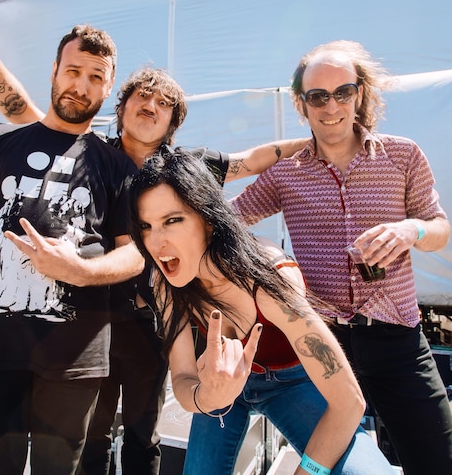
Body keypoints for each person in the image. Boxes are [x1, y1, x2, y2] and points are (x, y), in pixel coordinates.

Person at [0, 2, 306, 475]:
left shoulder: (185, 169)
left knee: (142, 432)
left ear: (174, 122)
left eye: (163, 103)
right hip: (89, 317)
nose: (150, 107)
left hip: (150, 320)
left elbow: (252, 160)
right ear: (121, 102)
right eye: (141, 96)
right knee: (88, 437)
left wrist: (315, 140)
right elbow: (21, 110)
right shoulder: (90, 154)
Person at [0, 23, 144, 475]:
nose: (81, 86)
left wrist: (82, 270)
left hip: (74, 358)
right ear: (55, 70)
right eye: (73, 70)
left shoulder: (117, 165)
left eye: (96, 77)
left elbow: (137, 253)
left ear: (108, 87)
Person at [231, 40, 452, 474]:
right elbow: (229, 221)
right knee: (341, 469)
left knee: (439, 466)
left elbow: (440, 228)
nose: (331, 105)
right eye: (318, 96)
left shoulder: (403, 154)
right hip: (323, 346)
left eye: (343, 92)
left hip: (397, 339)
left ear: (359, 94)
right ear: (302, 105)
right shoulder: (286, 173)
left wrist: (409, 229)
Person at [104, 147, 392, 475]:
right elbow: (184, 380)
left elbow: (350, 402)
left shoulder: (270, 280)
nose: (156, 242)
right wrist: (208, 395)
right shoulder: (167, 284)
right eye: (145, 226)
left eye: (172, 220)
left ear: (207, 218)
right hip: (219, 393)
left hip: (292, 383)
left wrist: (307, 471)